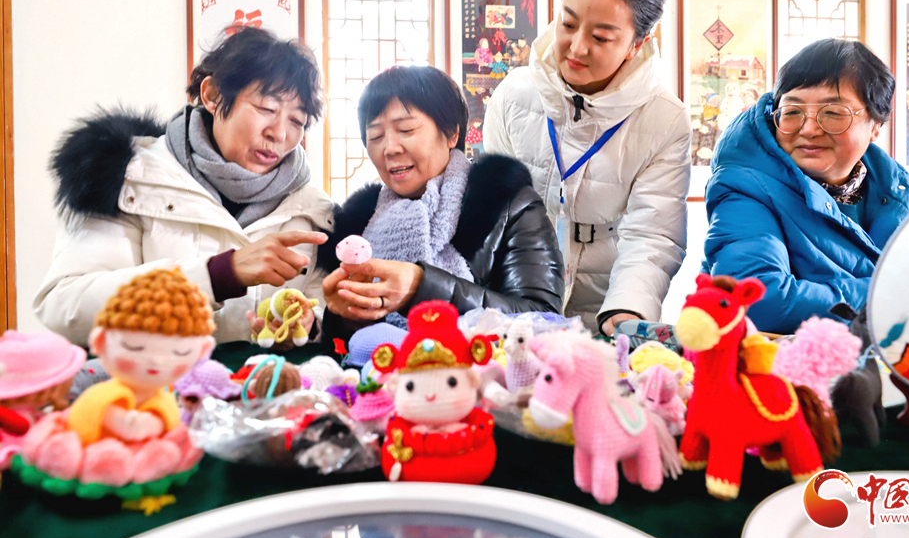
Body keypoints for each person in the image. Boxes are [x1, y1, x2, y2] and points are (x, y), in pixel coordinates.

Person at [35, 27, 332, 346]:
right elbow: (66, 306)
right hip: (154, 379)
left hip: (268, 379)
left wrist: (308, 327)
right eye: (266, 109)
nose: (279, 133)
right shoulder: (129, 175)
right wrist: (218, 275)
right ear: (213, 95)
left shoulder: (313, 208)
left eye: (297, 121)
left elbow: (322, 311)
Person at [483, 0, 690, 335]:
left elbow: (652, 234)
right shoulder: (514, 95)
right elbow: (496, 212)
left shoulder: (665, 119)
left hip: (605, 306)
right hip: (517, 301)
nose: (576, 48)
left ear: (637, 44)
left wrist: (626, 311)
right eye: (568, 24)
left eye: (601, 37)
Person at [318, 65, 563, 336]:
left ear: (451, 134)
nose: (389, 148)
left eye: (406, 130)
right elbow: (345, 342)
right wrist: (349, 318)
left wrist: (423, 288)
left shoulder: (508, 203)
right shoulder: (360, 223)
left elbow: (544, 319)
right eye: (375, 136)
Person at [703, 38, 909, 334]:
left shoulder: (898, 191)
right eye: (792, 112)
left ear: (875, 126)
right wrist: (891, 294)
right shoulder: (745, 186)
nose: (808, 129)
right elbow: (760, 301)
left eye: (833, 113)